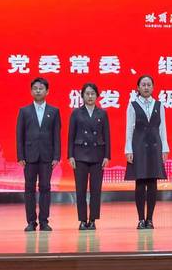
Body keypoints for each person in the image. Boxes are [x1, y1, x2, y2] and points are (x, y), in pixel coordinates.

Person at [16, 77, 61, 232]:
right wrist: (20, 156)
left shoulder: (54, 111)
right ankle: (31, 221)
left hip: (47, 156)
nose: (38, 91)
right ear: (31, 91)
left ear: (47, 91)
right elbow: (19, 135)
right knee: (29, 188)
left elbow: (56, 135)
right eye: (35, 88)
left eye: (41, 88)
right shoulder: (24, 111)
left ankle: (44, 221)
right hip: (29, 156)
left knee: (45, 188)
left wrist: (56, 156)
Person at [124, 75, 169, 229]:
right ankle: (140, 219)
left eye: (149, 84)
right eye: (143, 85)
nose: (146, 87)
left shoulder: (159, 105)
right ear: (138, 87)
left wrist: (165, 148)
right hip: (139, 147)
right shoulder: (132, 105)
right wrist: (128, 149)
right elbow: (129, 129)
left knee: (152, 184)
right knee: (140, 183)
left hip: (155, 147)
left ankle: (150, 219)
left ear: (153, 87)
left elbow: (162, 128)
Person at [68, 83, 111, 230]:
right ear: (82, 96)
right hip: (80, 156)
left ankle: (92, 219)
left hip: (98, 155)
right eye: (87, 93)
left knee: (95, 190)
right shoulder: (76, 113)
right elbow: (71, 136)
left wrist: (107, 156)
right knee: (80, 190)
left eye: (93, 93)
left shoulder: (102, 113)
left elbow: (107, 136)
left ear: (97, 96)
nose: (90, 96)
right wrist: (70, 156)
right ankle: (82, 220)